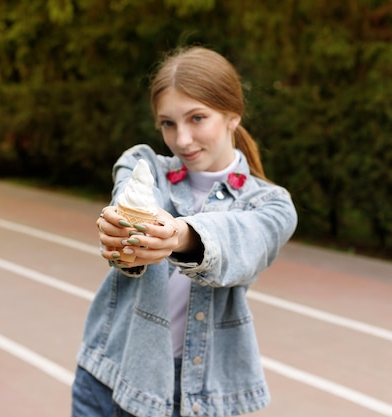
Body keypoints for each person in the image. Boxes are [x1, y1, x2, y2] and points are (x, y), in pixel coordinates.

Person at [71, 46, 298, 417]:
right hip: (107, 376)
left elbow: (240, 242)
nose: (182, 140)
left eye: (196, 118)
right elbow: (129, 204)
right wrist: (121, 236)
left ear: (232, 115)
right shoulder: (143, 165)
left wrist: (179, 235)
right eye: (168, 123)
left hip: (192, 398)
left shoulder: (271, 206)